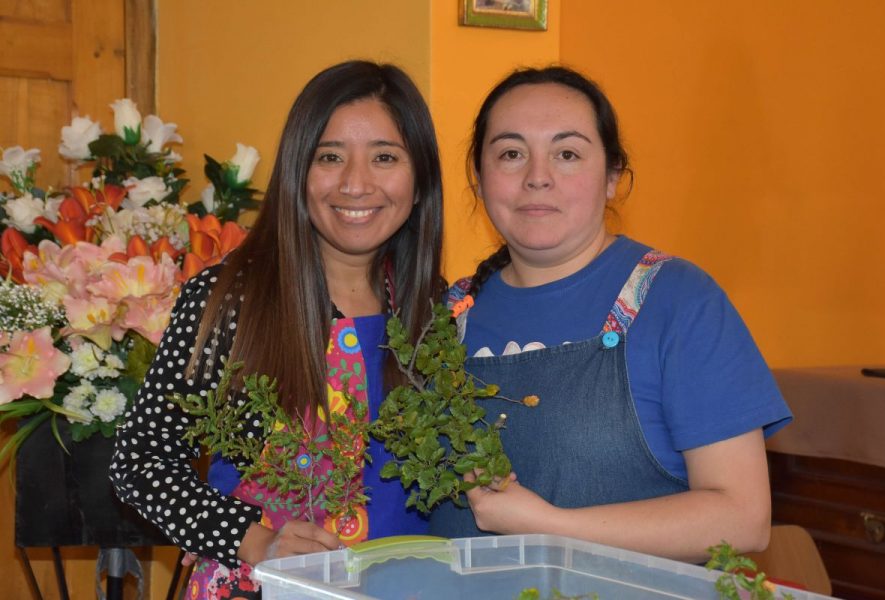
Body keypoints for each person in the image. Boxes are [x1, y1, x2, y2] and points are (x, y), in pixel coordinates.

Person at [428, 66, 792, 563]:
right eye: (511, 154)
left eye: (567, 154)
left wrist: (548, 528)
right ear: (478, 177)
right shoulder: (445, 319)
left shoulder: (680, 301)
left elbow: (743, 518)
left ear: (612, 178)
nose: (538, 177)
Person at [110, 60, 444, 599]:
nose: (356, 184)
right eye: (330, 157)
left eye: (385, 157)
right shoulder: (231, 300)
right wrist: (256, 541)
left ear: (421, 179)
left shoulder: (436, 311)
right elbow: (141, 460)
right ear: (296, 174)